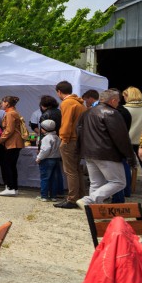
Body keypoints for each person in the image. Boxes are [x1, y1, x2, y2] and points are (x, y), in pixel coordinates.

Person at [76, 89, 134, 206]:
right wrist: (130, 156)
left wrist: (81, 149)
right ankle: (89, 201)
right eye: (118, 101)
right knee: (119, 182)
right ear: (113, 100)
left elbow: (79, 131)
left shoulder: (87, 112)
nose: (118, 103)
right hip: (106, 153)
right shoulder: (112, 113)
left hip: (89, 152)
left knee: (96, 183)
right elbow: (121, 137)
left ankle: (91, 211)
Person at [54, 80, 87, 209]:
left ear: (59, 92)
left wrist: (64, 138)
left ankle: (72, 199)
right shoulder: (79, 103)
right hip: (78, 139)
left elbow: (66, 123)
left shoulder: (67, 103)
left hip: (70, 139)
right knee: (76, 169)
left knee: (70, 171)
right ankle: (80, 196)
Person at [0, 96, 24, 196]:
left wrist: (0, 140)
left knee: (7, 165)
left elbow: (9, 130)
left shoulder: (10, 113)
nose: (2, 104)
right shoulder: (14, 112)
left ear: (7, 103)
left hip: (12, 143)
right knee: (11, 166)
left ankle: (10, 187)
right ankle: (14, 188)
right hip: (15, 142)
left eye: (3, 102)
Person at [35, 119, 63, 201]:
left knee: (45, 178)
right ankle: (53, 196)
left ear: (44, 129)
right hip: (56, 159)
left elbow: (45, 150)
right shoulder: (57, 137)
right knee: (54, 179)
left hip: (47, 160)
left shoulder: (46, 138)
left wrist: (39, 158)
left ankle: (44, 196)